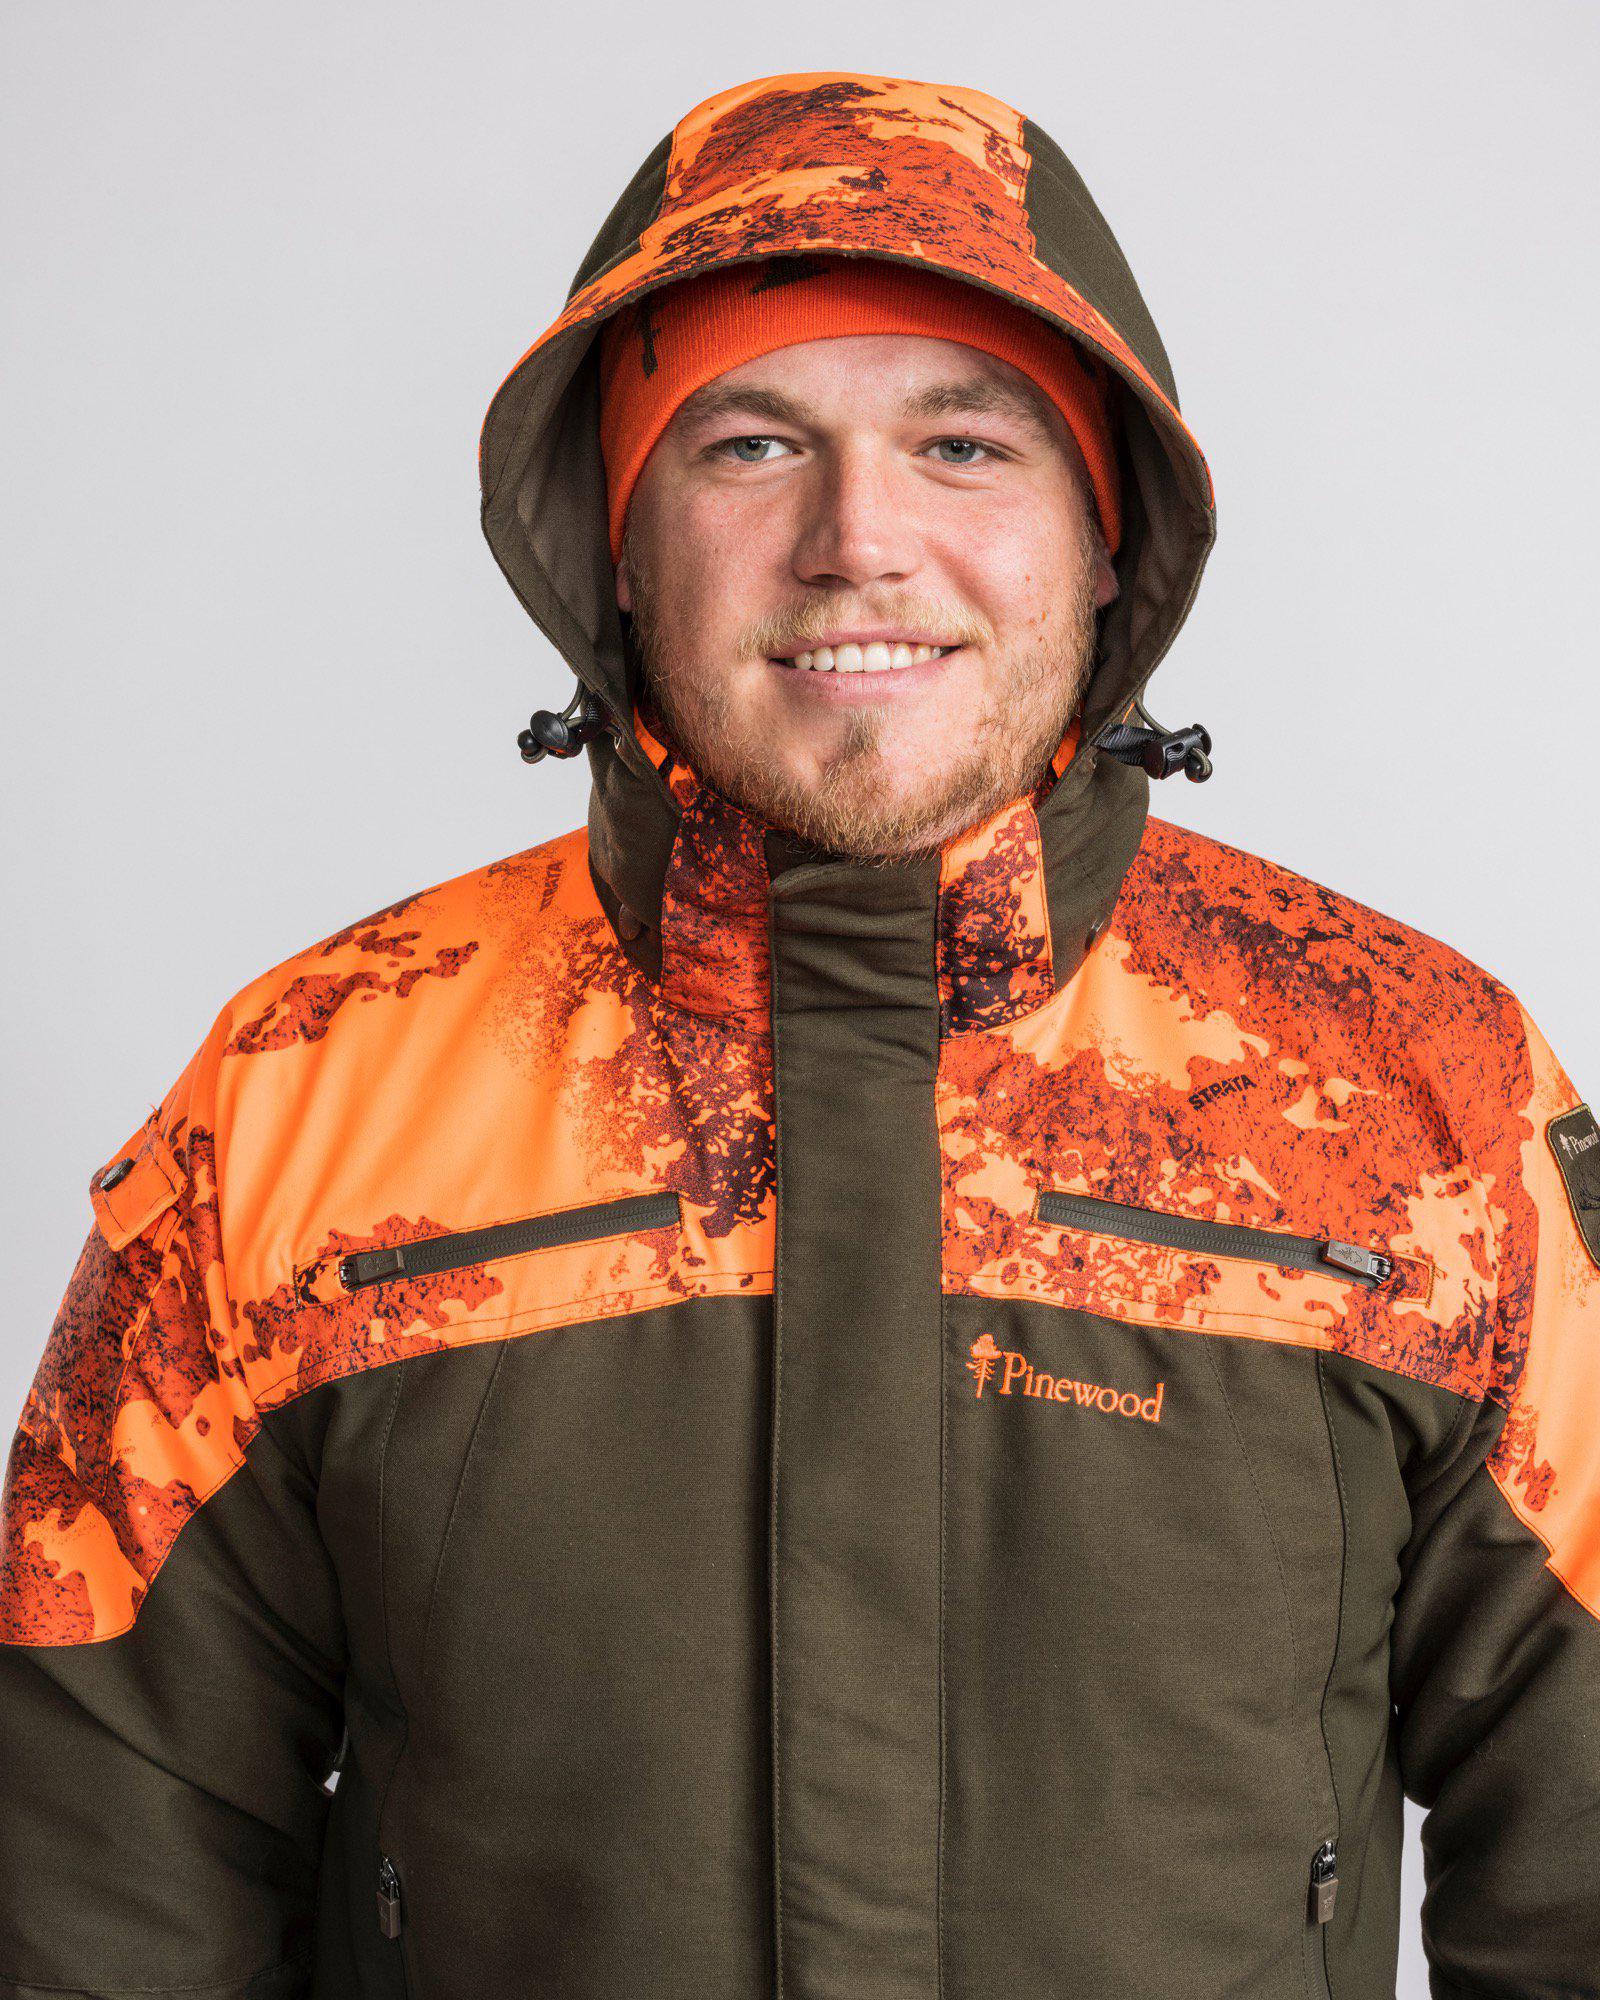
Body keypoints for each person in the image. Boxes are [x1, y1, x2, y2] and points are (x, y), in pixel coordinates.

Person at [1, 66, 1595, 2000]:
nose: (858, 539)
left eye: (964, 443)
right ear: (613, 541)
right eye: (750, 444)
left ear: (1106, 535)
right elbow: (93, 1888)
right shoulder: (306, 1099)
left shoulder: (1416, 1092)